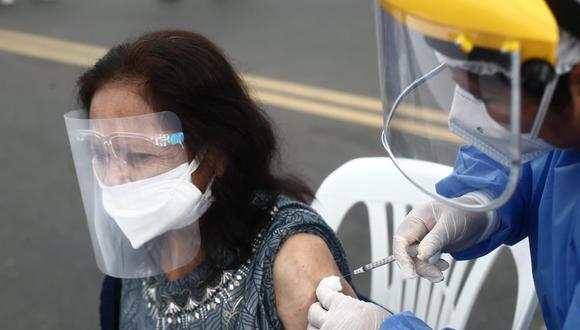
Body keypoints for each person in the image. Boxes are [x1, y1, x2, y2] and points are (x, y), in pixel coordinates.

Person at [307, 0, 580, 329]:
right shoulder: (562, 125)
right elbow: (533, 155)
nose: (476, 117)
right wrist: (480, 203)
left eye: (487, 98)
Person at [63, 30, 358, 330]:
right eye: (100, 154)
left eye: (139, 156)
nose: (115, 178)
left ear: (217, 153)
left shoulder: (293, 261)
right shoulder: (139, 248)